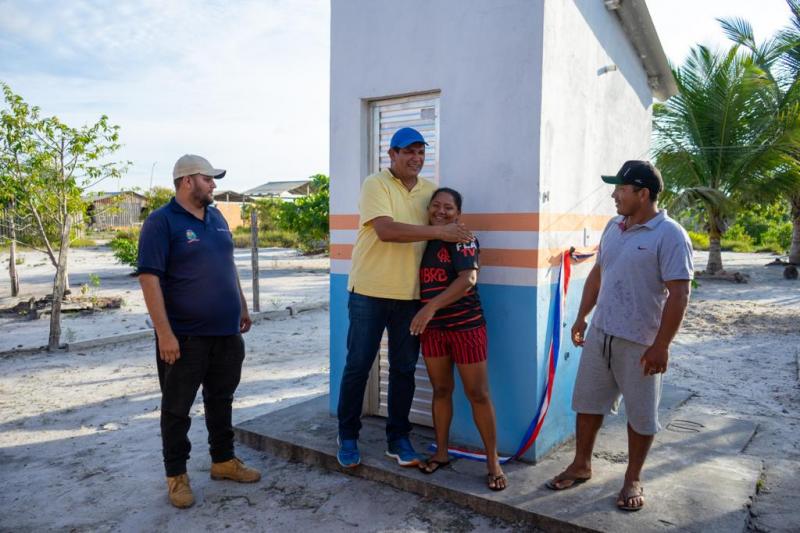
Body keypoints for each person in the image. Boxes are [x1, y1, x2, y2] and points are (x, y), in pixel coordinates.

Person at [546, 160, 693, 512]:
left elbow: (680, 294)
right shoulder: (614, 226)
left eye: (621, 189)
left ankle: (632, 478)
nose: (614, 195)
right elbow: (598, 273)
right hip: (601, 333)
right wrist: (582, 316)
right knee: (586, 403)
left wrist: (661, 345)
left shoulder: (670, 235)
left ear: (643, 194)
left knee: (641, 415)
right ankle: (582, 464)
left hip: (641, 342)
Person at [337, 128, 473, 468]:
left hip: (411, 298)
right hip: (369, 292)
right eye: (408, 152)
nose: (416, 158)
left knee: (403, 369)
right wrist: (440, 231)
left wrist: (459, 242)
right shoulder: (376, 184)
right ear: (392, 155)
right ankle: (348, 435)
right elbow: (386, 231)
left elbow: (445, 219)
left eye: (420, 152)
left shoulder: (429, 192)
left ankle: (398, 438)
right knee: (358, 366)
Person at [138, 154, 260, 509]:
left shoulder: (217, 217)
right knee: (176, 409)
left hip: (226, 333)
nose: (214, 185)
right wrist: (165, 333)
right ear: (187, 181)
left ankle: (223, 461)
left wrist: (242, 305)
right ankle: (176, 476)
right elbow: (149, 278)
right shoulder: (161, 222)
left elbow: (228, 264)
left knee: (221, 400)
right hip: (185, 337)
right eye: (209, 179)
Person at [409, 187, 507, 491]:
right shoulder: (422, 240)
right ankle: (441, 452)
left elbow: (468, 279)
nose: (441, 211)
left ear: (458, 213)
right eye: (435, 206)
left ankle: (493, 462)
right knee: (440, 389)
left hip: (466, 327)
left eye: (448, 208)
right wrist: (429, 313)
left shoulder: (464, 238)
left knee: (477, 394)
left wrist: (430, 307)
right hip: (434, 330)